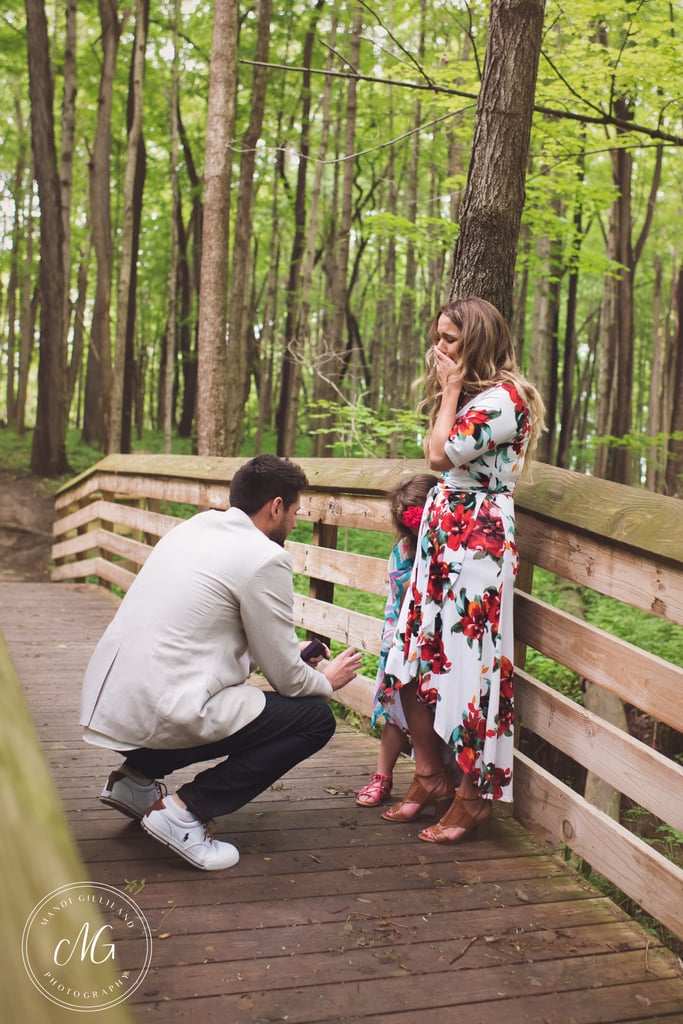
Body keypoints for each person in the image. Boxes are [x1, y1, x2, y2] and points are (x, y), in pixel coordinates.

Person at [80, 454, 363, 870]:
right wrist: (328, 680)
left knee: (250, 705)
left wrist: (293, 657)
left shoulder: (194, 528)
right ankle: (185, 813)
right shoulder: (265, 557)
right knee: (314, 718)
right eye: (296, 513)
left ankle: (136, 780)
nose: (296, 524)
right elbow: (288, 681)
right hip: (166, 706)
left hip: (115, 699)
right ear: (276, 507)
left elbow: (213, 634)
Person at [378, 296, 544, 842]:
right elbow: (441, 452)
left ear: (477, 341)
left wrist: (449, 390)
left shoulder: (504, 399)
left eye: (450, 340)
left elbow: (438, 455)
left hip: (477, 548)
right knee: (411, 659)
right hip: (442, 540)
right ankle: (429, 775)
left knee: (467, 672)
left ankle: (472, 798)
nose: (438, 349)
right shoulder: (478, 397)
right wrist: (452, 392)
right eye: (438, 338)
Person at [355, 473, 438, 807]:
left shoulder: (448, 548)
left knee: (429, 710)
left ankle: (431, 775)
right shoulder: (403, 550)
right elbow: (398, 596)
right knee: (395, 708)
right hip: (401, 635)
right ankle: (382, 775)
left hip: (434, 641)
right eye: (409, 523)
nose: (416, 529)